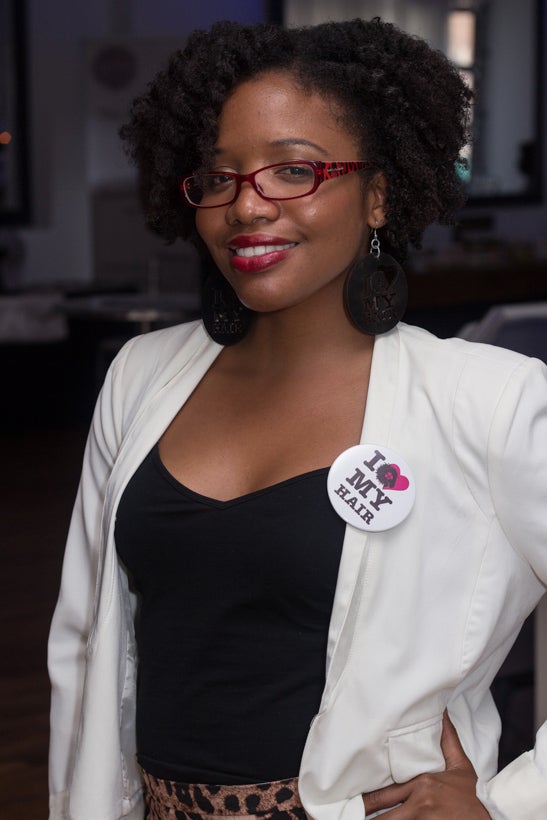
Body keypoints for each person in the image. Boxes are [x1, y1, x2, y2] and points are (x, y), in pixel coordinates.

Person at [47, 17, 547, 820]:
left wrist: (515, 803)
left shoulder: (489, 401)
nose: (247, 206)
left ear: (378, 193)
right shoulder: (140, 376)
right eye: (217, 177)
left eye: (293, 171)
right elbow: (84, 643)